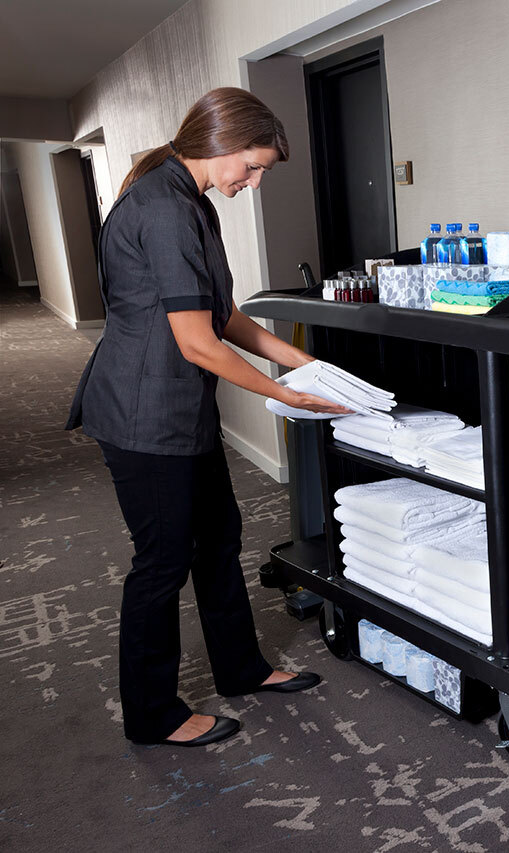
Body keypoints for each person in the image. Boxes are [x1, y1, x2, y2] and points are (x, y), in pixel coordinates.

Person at [66, 87, 348, 747]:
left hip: (178, 407)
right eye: (250, 167)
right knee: (162, 561)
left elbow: (219, 314)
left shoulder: (190, 202)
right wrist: (285, 395)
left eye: (259, 174)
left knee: (219, 537)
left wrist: (297, 362)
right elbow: (197, 342)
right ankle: (152, 713)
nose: (250, 183)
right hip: (143, 415)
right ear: (220, 143)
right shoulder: (162, 209)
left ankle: (241, 666)